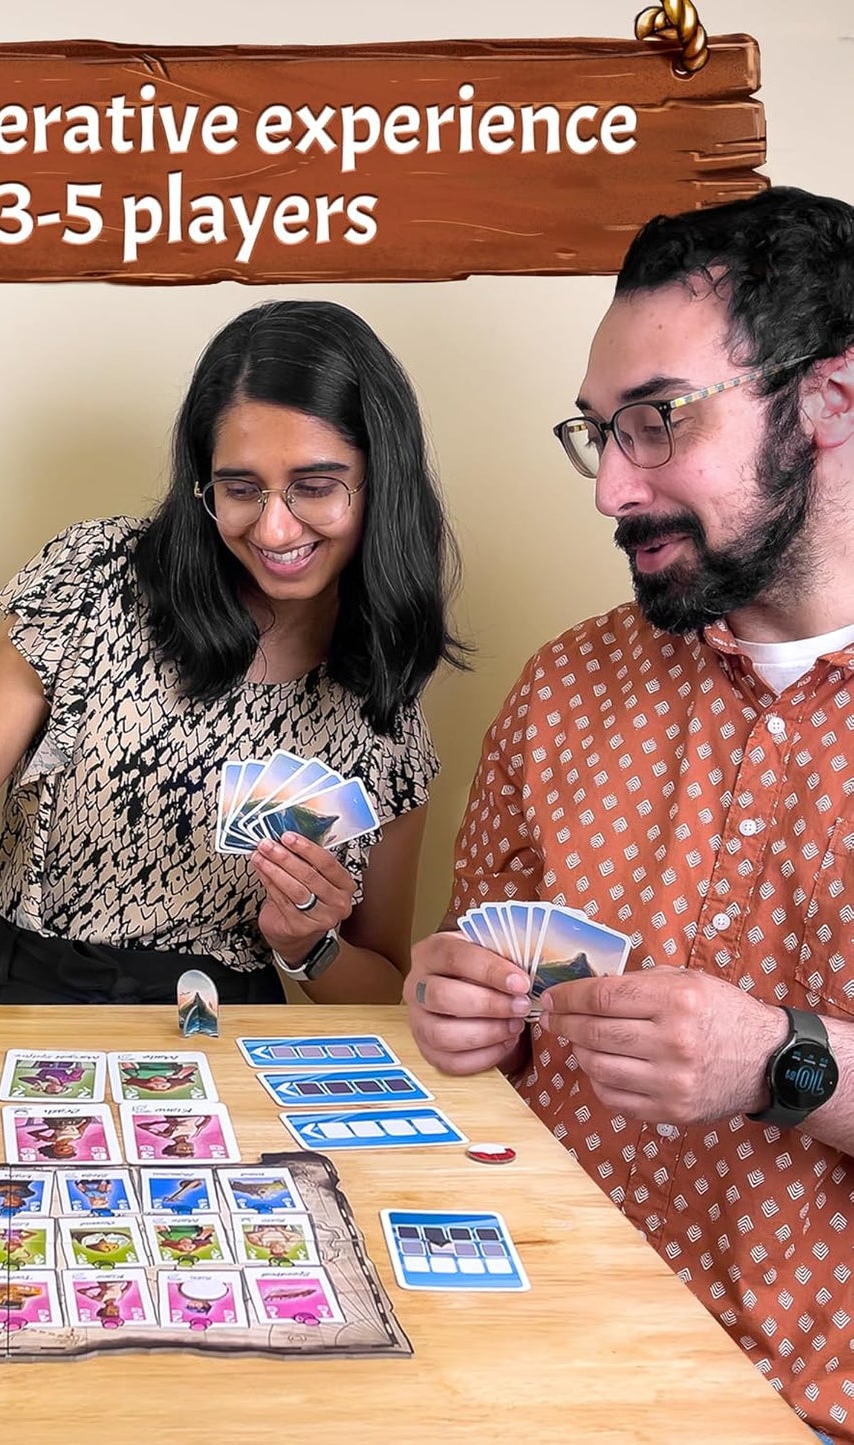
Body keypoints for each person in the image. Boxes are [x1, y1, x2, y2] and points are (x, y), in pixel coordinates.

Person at [404, 186, 854, 1445]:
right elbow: (473, 1027)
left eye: (654, 422)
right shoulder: (557, 691)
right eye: (596, 432)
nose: (609, 487)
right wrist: (454, 1008)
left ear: (828, 399)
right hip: (529, 1378)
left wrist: (785, 1062)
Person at [0, 299, 463, 1027]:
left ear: (380, 478)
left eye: (314, 485)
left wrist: (306, 946)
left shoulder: (386, 714)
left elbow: (383, 984)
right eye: (239, 488)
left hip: (221, 1027)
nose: (273, 526)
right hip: (17, 995)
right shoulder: (93, 580)